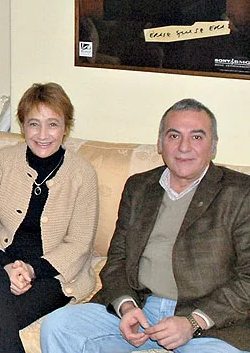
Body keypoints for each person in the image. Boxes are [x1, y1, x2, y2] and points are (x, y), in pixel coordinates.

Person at [40, 98, 250, 353]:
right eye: (174, 136)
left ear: (213, 146)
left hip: (208, 320)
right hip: (140, 306)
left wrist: (193, 322)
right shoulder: (139, 187)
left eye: (197, 137)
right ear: (160, 143)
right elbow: (116, 260)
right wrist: (126, 307)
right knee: (59, 326)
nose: (184, 147)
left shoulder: (240, 193)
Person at [0, 82, 99, 353]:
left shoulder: (82, 173)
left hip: (51, 276)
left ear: (66, 127)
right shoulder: (1, 161)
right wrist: (7, 267)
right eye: (34, 124)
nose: (43, 134)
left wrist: (31, 270)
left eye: (52, 124)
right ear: (23, 126)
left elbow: (80, 243)